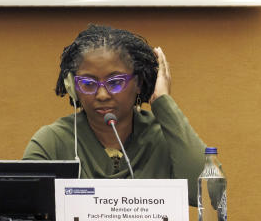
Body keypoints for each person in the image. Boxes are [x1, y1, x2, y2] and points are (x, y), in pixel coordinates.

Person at [23, 24, 207, 202]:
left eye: (115, 82)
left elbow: (209, 195)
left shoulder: (165, 138)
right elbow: (21, 206)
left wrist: (163, 103)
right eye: (88, 83)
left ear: (139, 82)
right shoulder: (53, 141)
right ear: (72, 88)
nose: (102, 95)